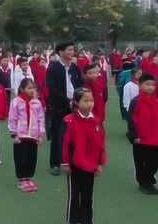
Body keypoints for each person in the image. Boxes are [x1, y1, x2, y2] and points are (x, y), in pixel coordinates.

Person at [61, 88, 107, 224]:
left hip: (91, 166)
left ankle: (87, 220)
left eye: (91, 100)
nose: (89, 104)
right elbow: (64, 144)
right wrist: (65, 163)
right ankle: (73, 220)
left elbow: (101, 144)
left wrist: (100, 163)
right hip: (75, 166)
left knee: (88, 195)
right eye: (85, 101)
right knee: (74, 196)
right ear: (76, 102)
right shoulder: (69, 121)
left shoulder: (96, 122)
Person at [46, 42, 82, 176]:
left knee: (73, 135)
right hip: (59, 107)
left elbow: (79, 85)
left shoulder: (74, 68)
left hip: (74, 106)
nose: (72, 52)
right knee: (57, 135)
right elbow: (52, 88)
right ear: (61, 52)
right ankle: (55, 163)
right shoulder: (53, 67)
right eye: (69, 50)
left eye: (73, 49)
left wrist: (77, 100)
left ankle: (71, 161)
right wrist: (67, 101)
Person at [8, 78, 45, 192]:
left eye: (33, 88)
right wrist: (14, 135)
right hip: (21, 136)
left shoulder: (37, 103)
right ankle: (21, 179)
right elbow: (12, 118)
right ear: (22, 89)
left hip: (33, 136)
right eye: (29, 88)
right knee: (21, 158)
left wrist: (40, 134)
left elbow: (40, 118)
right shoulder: (16, 102)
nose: (32, 90)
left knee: (31, 158)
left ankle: (29, 178)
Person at [126, 73, 158, 194]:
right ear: (139, 85)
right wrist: (134, 136)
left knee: (154, 161)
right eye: (147, 84)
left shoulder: (156, 101)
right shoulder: (136, 101)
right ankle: (144, 183)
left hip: (154, 137)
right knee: (141, 162)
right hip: (141, 139)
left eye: (153, 85)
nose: (150, 87)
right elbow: (131, 120)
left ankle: (148, 179)